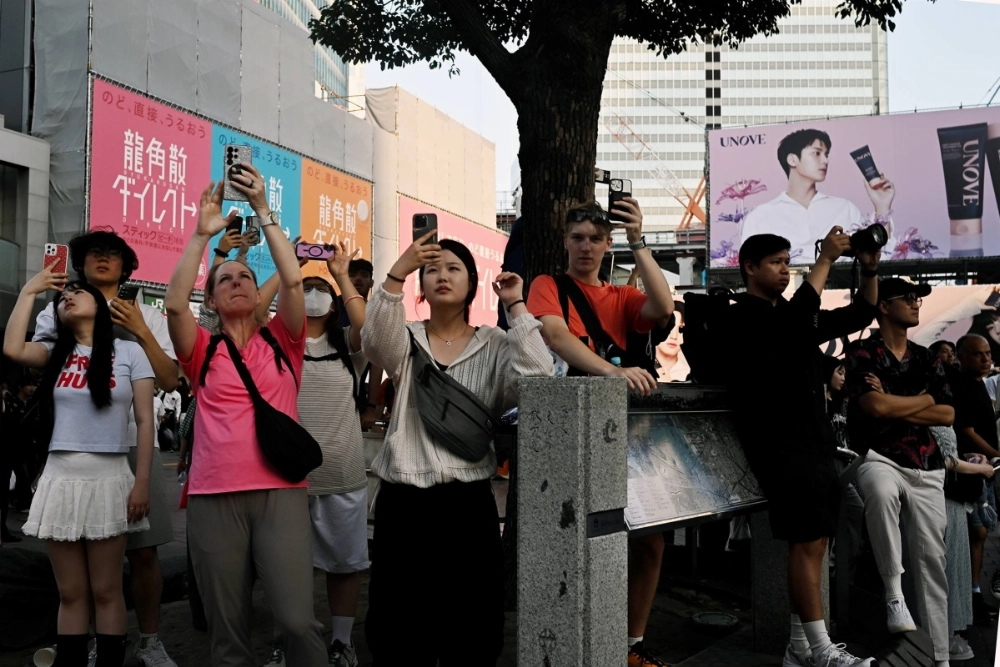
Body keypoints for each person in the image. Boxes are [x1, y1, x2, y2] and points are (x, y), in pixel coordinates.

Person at [362, 233, 553, 665]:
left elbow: (538, 377)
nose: (441, 276)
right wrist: (398, 271)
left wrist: (515, 306)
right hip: (403, 505)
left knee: (473, 629)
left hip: (467, 506)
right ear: (421, 285)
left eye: (453, 269)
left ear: (473, 282)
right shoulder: (406, 339)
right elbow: (373, 342)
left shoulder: (495, 344)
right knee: (397, 629)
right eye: (431, 269)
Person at [165, 165, 327, 666]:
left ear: (259, 297)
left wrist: (263, 210)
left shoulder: (284, 342)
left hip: (281, 492)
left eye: (245, 278)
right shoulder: (203, 351)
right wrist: (201, 235)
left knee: (298, 620)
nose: (236, 282)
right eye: (225, 279)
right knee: (227, 631)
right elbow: (173, 309)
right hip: (214, 497)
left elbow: (295, 285)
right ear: (211, 299)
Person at [526, 199, 674, 667]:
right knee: (578, 535)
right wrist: (611, 374)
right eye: (577, 238)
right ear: (565, 243)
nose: (586, 246)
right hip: (569, 431)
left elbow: (663, 306)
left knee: (649, 538)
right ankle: (571, 637)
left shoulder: (623, 297)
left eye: (595, 238)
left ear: (608, 245)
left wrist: (639, 241)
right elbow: (554, 336)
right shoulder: (547, 285)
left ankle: (631, 644)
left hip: (625, 433)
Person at [726, 230, 879, 667]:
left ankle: (799, 648)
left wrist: (868, 266)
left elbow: (862, 311)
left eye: (788, 261)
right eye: (775, 262)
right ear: (749, 267)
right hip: (780, 445)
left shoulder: (793, 315)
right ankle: (822, 650)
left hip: (814, 442)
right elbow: (792, 325)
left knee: (815, 543)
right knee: (806, 541)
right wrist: (826, 259)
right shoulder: (744, 315)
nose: (784, 270)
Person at [32, 230, 180, 667]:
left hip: (136, 444)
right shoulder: (59, 310)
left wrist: (137, 330)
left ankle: (149, 640)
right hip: (73, 448)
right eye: (93, 253)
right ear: (79, 263)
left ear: (126, 265)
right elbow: (38, 360)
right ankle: (90, 640)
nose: (102, 259)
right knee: (81, 563)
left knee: (146, 550)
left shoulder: (147, 316)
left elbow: (171, 381)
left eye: (112, 254)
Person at [4, 273, 155, 667]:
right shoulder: (54, 353)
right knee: (70, 593)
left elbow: (144, 421)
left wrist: (141, 484)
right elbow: (12, 348)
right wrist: (30, 291)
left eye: (77, 292)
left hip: (110, 478)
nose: (68, 296)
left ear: (99, 306)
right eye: (63, 295)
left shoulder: (128, 353)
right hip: (60, 477)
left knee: (106, 590)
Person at [260, 243, 370, 667]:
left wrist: (340, 275)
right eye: (303, 288)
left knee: (345, 565)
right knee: (288, 570)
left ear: (334, 304)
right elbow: (254, 313)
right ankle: (288, 642)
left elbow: (370, 328)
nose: (312, 294)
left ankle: (341, 643)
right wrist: (289, 265)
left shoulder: (348, 345)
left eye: (319, 289)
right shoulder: (274, 342)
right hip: (286, 478)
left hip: (342, 472)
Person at [845, 278, 955, 667]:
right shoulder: (861, 352)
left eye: (917, 298)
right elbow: (874, 409)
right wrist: (921, 399)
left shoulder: (928, 358)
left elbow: (947, 413)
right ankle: (894, 594)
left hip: (926, 465)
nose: (915, 303)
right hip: (881, 456)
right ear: (884, 306)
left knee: (932, 562)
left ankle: (940, 657)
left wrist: (896, 400)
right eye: (907, 298)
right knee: (878, 489)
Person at [740, 128, 895, 262]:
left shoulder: (845, 208)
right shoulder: (760, 216)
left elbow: (880, 255)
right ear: (792, 160)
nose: (825, 160)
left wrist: (882, 206)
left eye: (826, 154)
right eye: (817, 153)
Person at [952, 334, 999, 624]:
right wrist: (994, 454)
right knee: (976, 532)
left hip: (986, 469)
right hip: (970, 468)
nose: (986, 359)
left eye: (988, 353)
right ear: (962, 356)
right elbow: (967, 431)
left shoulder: (980, 383)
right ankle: (970, 595)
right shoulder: (961, 385)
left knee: (981, 532)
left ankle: (975, 591)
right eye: (978, 354)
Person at [336, 257, 383, 432]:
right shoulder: (332, 306)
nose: (358, 279)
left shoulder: (377, 313)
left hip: (357, 399)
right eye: (353, 275)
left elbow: (376, 364)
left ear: (371, 282)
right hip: (326, 391)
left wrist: (371, 407)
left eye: (364, 275)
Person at [655, 303, 689, 383]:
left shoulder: (689, 373)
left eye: (681, 328)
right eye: (670, 326)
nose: (674, 336)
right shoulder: (639, 368)